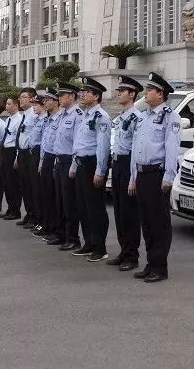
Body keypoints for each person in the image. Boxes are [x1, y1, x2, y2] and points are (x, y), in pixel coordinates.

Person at [129, 72, 180, 283]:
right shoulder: (143, 117)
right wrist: (133, 177)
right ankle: (151, 263)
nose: (146, 93)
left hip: (157, 174)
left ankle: (160, 266)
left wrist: (169, 176)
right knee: (147, 222)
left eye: (150, 90)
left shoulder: (170, 116)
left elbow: (171, 147)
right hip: (141, 174)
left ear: (160, 93)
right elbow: (136, 149)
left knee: (159, 223)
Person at [72, 76, 113, 262]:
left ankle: (100, 247)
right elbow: (79, 143)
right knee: (83, 207)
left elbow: (102, 146)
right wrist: (74, 164)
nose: (82, 94)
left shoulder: (101, 117)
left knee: (95, 208)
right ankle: (88, 242)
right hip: (81, 163)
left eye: (86, 92)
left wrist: (100, 171)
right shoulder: (85, 115)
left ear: (96, 97)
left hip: (92, 165)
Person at [106, 75, 145, 272]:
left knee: (130, 214)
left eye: (122, 91)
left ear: (132, 94)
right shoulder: (120, 118)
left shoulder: (138, 118)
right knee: (120, 212)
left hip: (130, 163)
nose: (118, 93)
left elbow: (137, 149)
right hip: (118, 163)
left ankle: (132, 255)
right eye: (118, 90)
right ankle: (124, 250)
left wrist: (133, 177)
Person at [52, 81, 83, 252]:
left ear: (71, 96)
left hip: (69, 161)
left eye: (61, 95)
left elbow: (77, 143)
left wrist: (73, 165)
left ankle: (73, 238)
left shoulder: (77, 115)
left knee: (70, 202)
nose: (59, 98)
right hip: (59, 160)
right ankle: (61, 233)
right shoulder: (62, 115)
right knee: (60, 201)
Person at [35, 89, 62, 243]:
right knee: (46, 195)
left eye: (47, 100)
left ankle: (55, 228)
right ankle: (49, 226)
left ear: (55, 101)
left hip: (55, 158)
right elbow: (45, 142)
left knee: (54, 196)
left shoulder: (60, 118)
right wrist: (41, 160)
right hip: (46, 157)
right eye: (43, 100)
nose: (44, 102)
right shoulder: (48, 119)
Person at [15, 88, 40, 228]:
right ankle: (29, 214)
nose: (21, 99)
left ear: (32, 98)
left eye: (24, 97)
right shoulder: (24, 115)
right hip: (22, 154)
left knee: (32, 187)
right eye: (20, 97)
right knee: (24, 186)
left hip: (31, 154)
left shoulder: (35, 115)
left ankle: (35, 217)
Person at [0, 95, 25, 220]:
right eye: (6, 104)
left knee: (13, 182)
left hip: (12, 151)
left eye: (9, 104)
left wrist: (17, 157)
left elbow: (19, 139)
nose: (7, 106)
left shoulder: (19, 119)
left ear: (16, 105)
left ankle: (16, 210)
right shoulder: (8, 119)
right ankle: (10, 208)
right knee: (6, 182)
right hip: (5, 151)